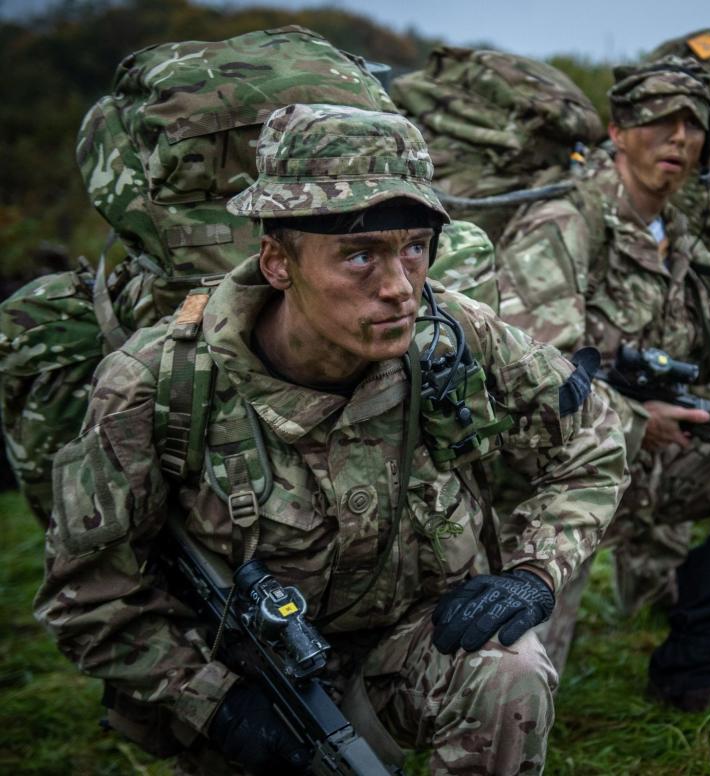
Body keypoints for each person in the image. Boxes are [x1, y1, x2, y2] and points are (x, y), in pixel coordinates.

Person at [34, 103, 629, 775]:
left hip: (411, 647)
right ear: (278, 262)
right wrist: (217, 705)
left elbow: (596, 437)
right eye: (357, 256)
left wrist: (533, 573)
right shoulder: (156, 385)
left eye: (413, 247)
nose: (398, 287)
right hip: (250, 683)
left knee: (509, 670)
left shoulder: (454, 329)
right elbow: (86, 594)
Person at [496, 57, 710, 720]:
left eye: (692, 125)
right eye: (657, 122)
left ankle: (692, 671)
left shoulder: (677, 234)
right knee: (519, 698)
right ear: (617, 131)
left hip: (647, 460)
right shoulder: (563, 223)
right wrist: (639, 418)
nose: (677, 138)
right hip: (555, 478)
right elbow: (537, 377)